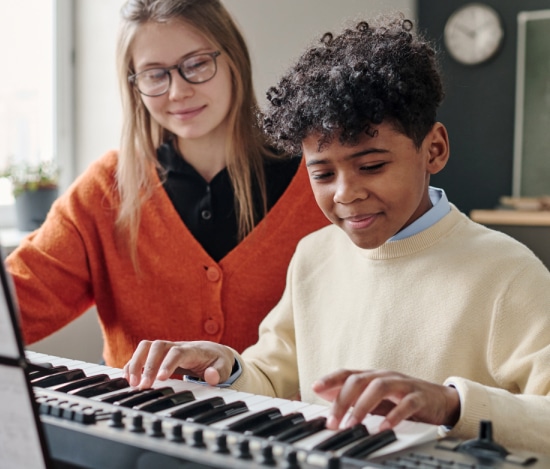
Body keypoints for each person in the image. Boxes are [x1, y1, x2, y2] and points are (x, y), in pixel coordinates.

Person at [124, 13, 550, 455]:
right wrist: (225, 366)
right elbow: (271, 376)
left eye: (371, 166)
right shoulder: (314, 255)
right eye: (323, 173)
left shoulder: (508, 273)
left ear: (434, 150)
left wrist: (451, 404)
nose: (346, 193)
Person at [5, 0, 328, 368]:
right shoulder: (105, 190)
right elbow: (19, 299)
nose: (177, 92)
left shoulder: (319, 178)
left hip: (288, 424)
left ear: (233, 58)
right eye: (155, 75)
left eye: (196, 64)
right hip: (133, 424)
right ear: (134, 85)